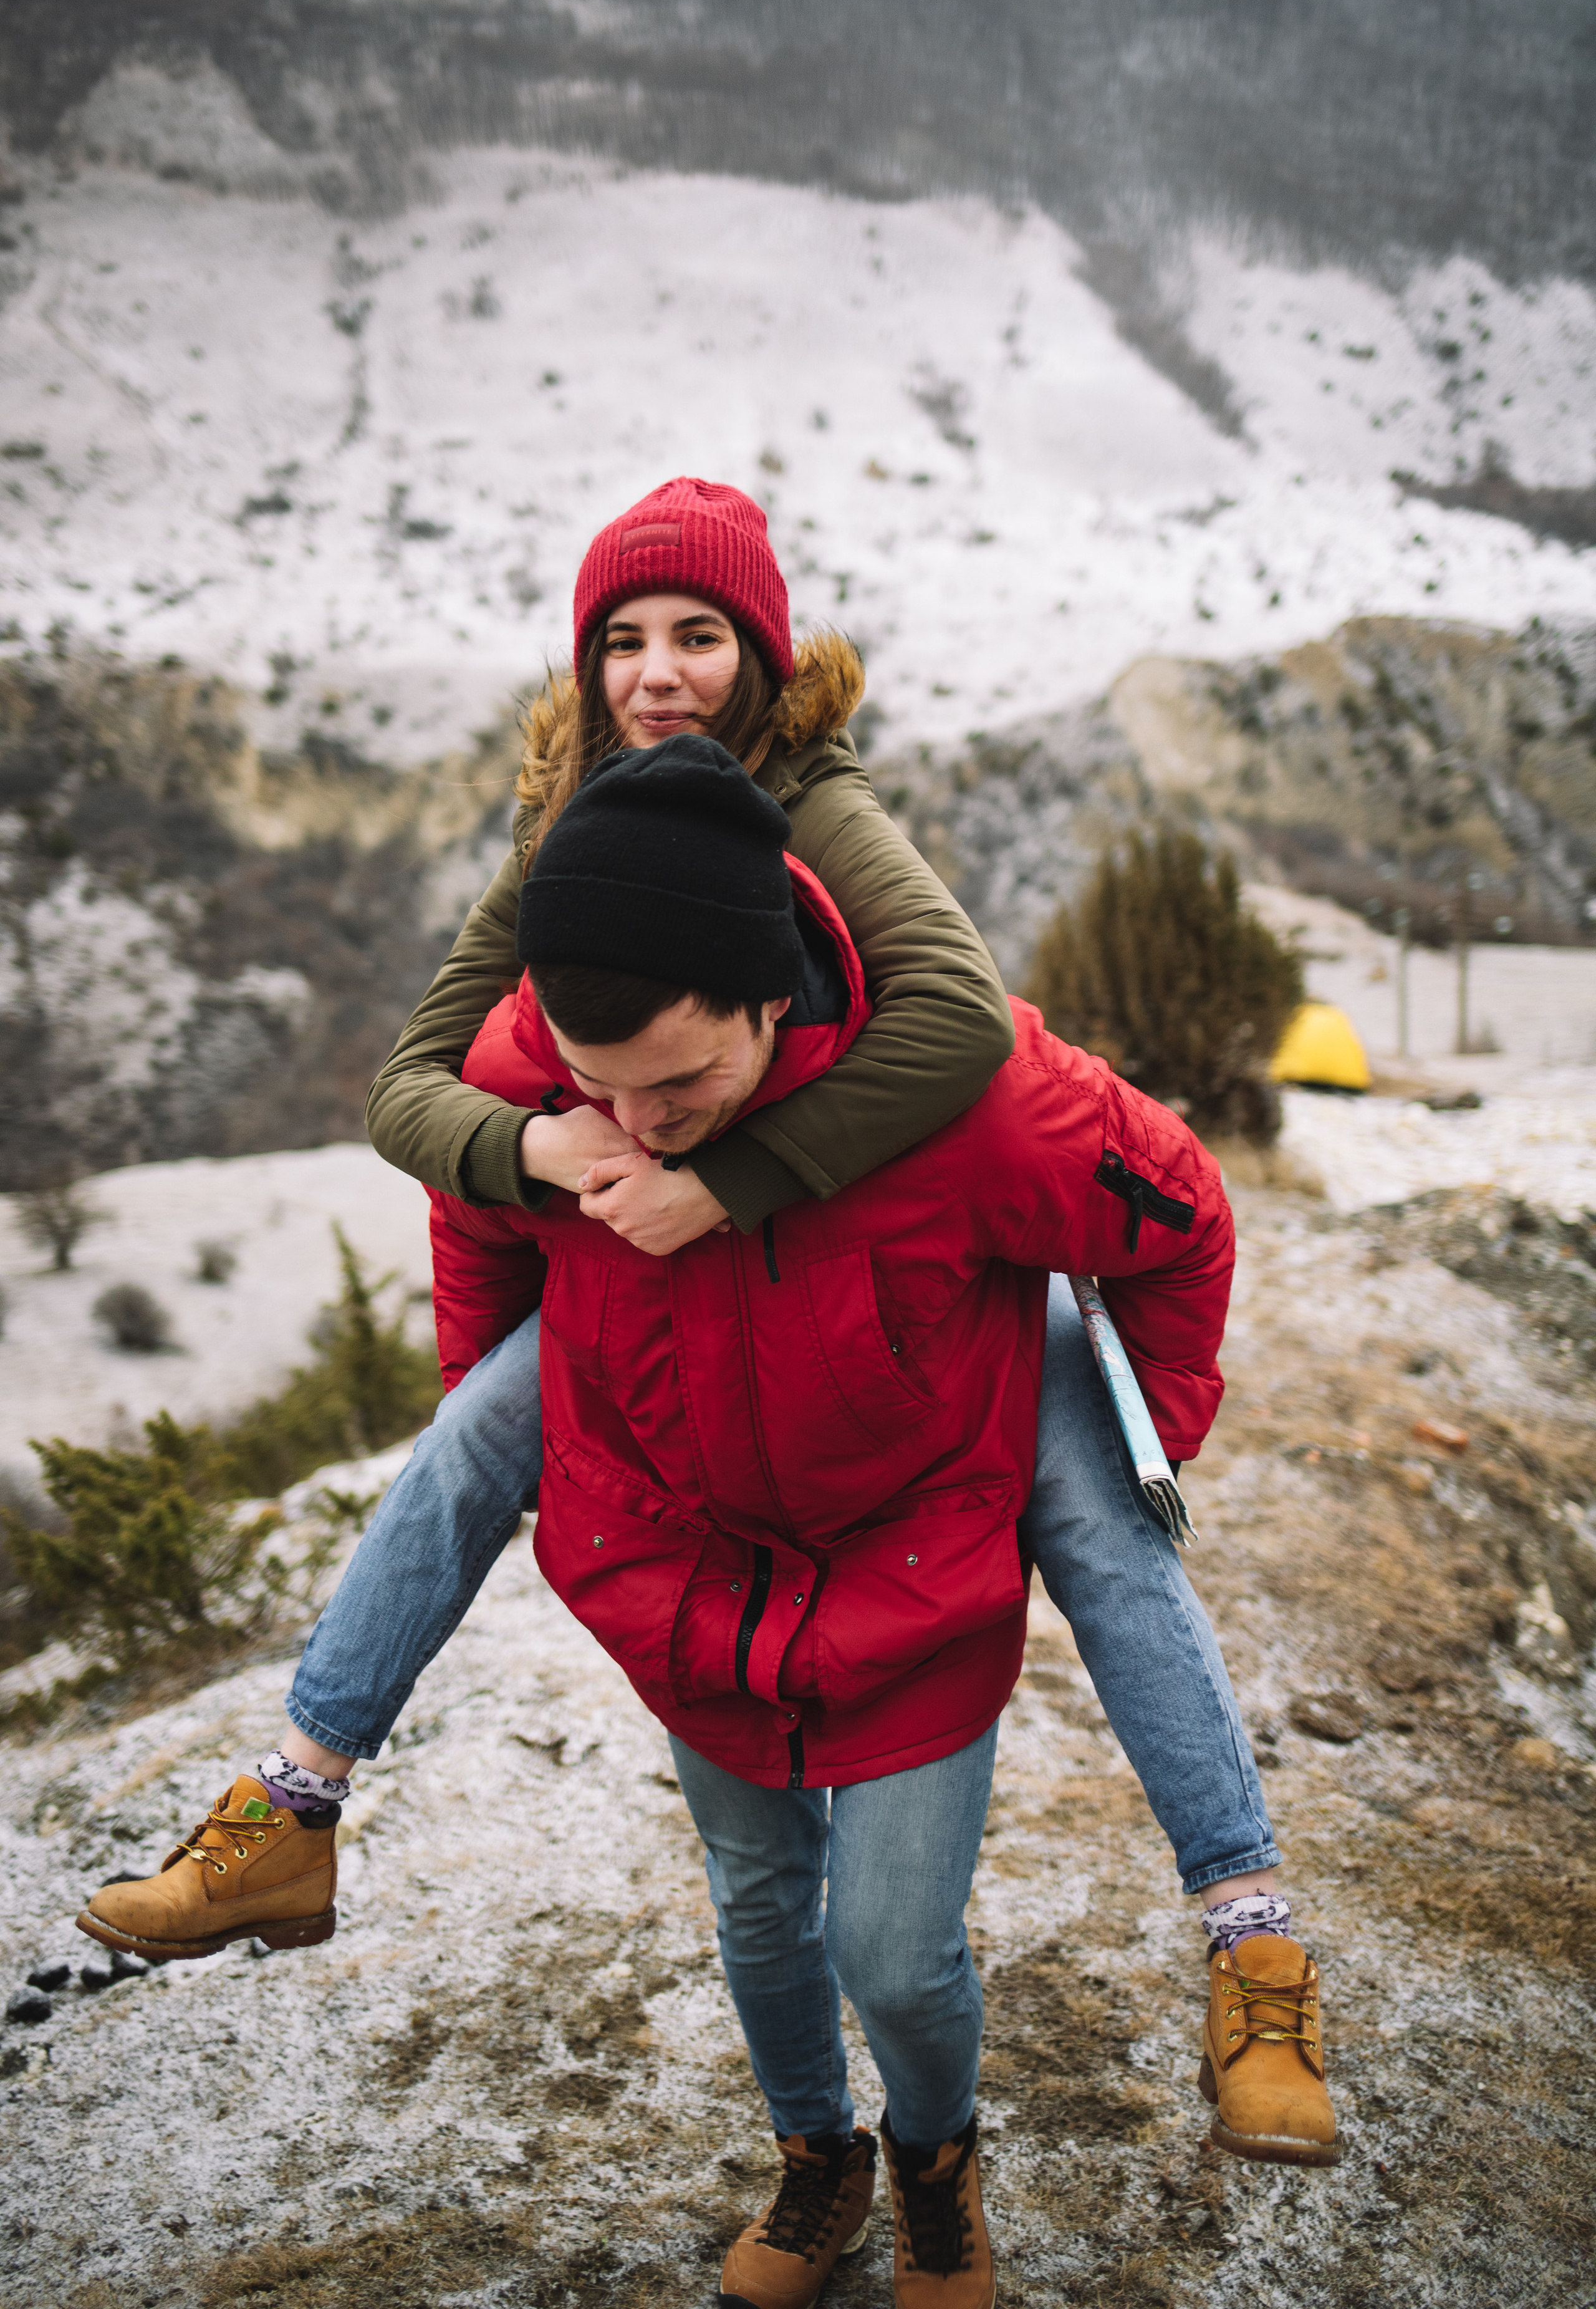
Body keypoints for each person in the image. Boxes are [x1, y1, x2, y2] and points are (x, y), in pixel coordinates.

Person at [79, 485, 1338, 2309]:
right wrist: (546, 1181)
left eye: (699, 638)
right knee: (504, 1489)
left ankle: (1235, 1939)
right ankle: (324, 1821)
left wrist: (1134, 1416)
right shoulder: (572, 855)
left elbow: (981, 1046)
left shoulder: (830, 832)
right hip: (703, 1547)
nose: (660, 678)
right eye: (622, 641)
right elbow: (430, 1112)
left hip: (922, 1455)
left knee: (1094, 1528)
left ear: (766, 656)